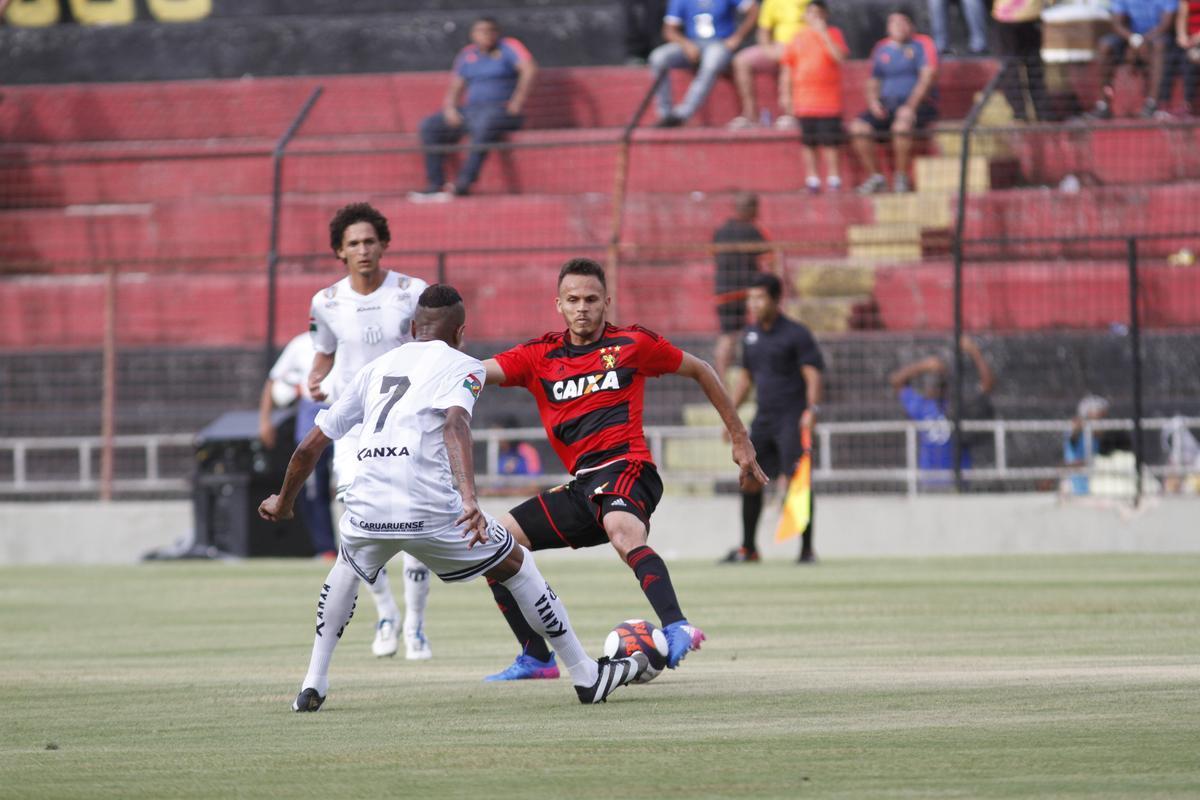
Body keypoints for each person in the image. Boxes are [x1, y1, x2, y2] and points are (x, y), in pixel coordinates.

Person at [261, 285, 648, 711]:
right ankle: (585, 675)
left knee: (347, 566)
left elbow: (309, 446)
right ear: (461, 332)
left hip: (367, 506)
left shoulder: (375, 369)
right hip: (431, 509)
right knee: (518, 564)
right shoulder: (465, 366)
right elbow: (455, 425)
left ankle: (313, 683)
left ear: (412, 328)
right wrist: (469, 499)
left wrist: (283, 499)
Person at [478, 257, 769, 681]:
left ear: (606, 302)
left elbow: (701, 369)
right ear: (558, 304)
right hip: (582, 488)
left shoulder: (632, 345)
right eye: (573, 299)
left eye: (591, 299)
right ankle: (536, 657)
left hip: (627, 468)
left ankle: (676, 624)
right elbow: (478, 372)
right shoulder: (538, 356)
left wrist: (740, 439)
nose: (582, 308)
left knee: (622, 530)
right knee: (491, 545)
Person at [306, 202, 434, 661]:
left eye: (369, 241)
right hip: (355, 427)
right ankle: (386, 613)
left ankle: (417, 625)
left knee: (415, 521)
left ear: (383, 244)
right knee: (356, 524)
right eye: (353, 243)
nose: (363, 249)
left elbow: (431, 349)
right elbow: (324, 350)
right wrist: (316, 379)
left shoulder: (411, 291)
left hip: (406, 424)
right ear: (340, 251)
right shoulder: (327, 301)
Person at [724, 273, 824, 564]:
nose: (753, 304)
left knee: (797, 481)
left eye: (759, 298)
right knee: (751, 478)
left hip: (791, 418)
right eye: (750, 298)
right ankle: (748, 548)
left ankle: (806, 550)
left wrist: (811, 410)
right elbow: (746, 379)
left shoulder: (796, 334)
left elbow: (812, 375)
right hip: (764, 419)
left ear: (776, 299)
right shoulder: (751, 337)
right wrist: (729, 417)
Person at [415, 18, 537, 197]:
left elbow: (529, 69)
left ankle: (464, 182)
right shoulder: (468, 54)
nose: (486, 35)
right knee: (430, 126)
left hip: (502, 111)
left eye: (490, 30)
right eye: (481, 31)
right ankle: (435, 183)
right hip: (472, 111)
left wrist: (517, 101)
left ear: (497, 32)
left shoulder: (509, 47)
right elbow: (456, 85)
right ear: (473, 35)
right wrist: (450, 108)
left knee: (485, 124)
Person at [258, 332, 336, 559]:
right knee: (312, 488)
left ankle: (360, 544)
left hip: (346, 410)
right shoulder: (301, 344)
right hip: (312, 415)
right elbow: (274, 380)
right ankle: (327, 550)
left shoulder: (351, 337)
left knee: (348, 484)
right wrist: (265, 421)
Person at [850, 9, 939, 195]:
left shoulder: (922, 44)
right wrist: (873, 102)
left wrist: (910, 107)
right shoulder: (881, 48)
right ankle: (876, 178)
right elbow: (873, 81)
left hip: (917, 105)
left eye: (902, 22)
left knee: (901, 126)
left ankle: (901, 177)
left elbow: (927, 77)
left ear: (911, 26)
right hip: (887, 104)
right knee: (858, 128)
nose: (897, 27)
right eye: (893, 23)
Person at [887, 335, 994, 485]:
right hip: (931, 482)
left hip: (957, 481)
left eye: (939, 380)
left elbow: (987, 386)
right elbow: (896, 381)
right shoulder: (922, 406)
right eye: (931, 379)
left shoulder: (960, 403)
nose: (934, 384)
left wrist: (974, 351)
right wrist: (924, 366)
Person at [649, 0, 760, 127]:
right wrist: (686, 44)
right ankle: (665, 114)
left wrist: (737, 37)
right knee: (658, 57)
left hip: (719, 43)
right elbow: (669, 30)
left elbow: (754, 10)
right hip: (692, 43)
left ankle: (682, 114)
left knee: (712, 61)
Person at [780, 0, 849, 194]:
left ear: (825, 15)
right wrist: (785, 94)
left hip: (828, 101)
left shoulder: (834, 34)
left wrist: (823, 34)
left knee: (830, 142)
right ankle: (812, 179)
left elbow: (839, 57)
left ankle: (834, 179)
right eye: (811, 13)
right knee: (808, 142)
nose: (815, 17)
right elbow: (787, 67)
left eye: (819, 14)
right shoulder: (797, 37)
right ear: (805, 16)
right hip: (804, 100)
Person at [713, 192, 772, 383]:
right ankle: (758, 378)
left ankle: (721, 383)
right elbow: (769, 258)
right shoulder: (752, 231)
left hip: (723, 292)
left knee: (727, 336)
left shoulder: (720, 232)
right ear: (751, 209)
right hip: (747, 292)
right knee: (757, 332)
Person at [1088, 0, 1178, 120]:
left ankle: (1151, 105)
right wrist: (1134, 39)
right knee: (1105, 45)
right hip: (1130, 38)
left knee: (1159, 45)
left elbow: (1167, 24)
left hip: (1159, 38)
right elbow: (1117, 24)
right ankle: (1102, 106)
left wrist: (1143, 40)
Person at [727, 0, 810, 129]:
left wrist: (790, 49)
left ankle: (790, 114)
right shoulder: (771, 2)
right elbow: (763, 31)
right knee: (741, 61)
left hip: (805, 48)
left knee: (787, 61)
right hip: (778, 47)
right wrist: (768, 50)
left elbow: (816, 25)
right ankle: (751, 115)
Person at [992, 0, 1049, 122]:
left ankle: (1020, 114)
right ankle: (1041, 113)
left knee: (1011, 67)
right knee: (1033, 66)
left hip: (1007, 15)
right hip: (1030, 14)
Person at [1159, 0, 1200, 117]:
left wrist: (1196, 39)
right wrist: (1182, 36)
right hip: (1189, 40)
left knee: (1190, 59)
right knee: (1171, 57)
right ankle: (1163, 103)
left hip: (1197, 41)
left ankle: (1188, 104)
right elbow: (1182, 16)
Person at [1063, 394, 1109, 496]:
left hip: (1092, 479)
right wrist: (1084, 421)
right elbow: (1074, 434)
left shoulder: (1097, 432)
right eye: (1098, 411)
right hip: (1075, 480)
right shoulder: (1076, 428)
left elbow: (1099, 434)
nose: (1102, 416)